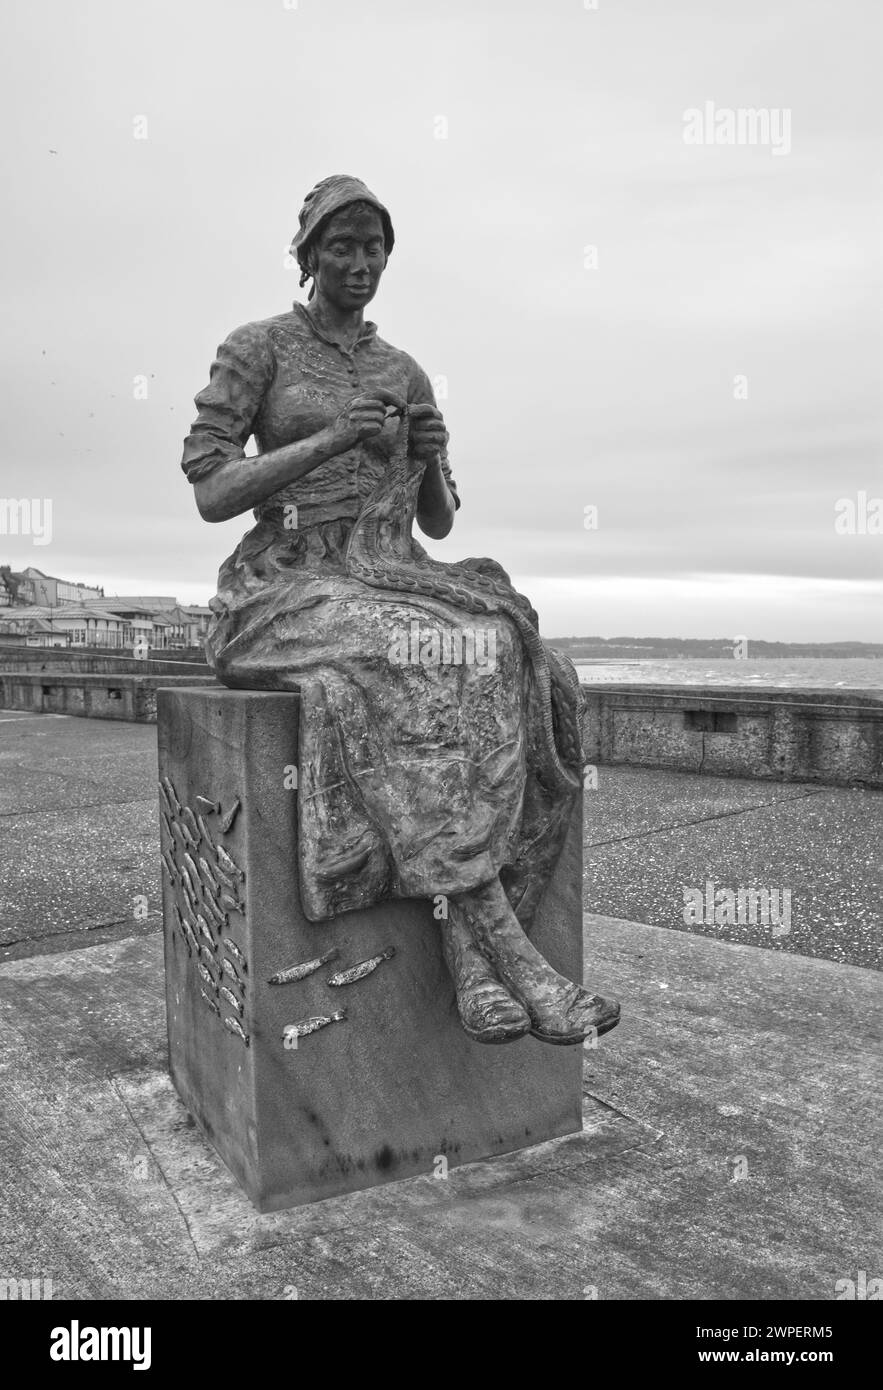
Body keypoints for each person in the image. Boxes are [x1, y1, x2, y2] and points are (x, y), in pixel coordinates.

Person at [181, 174, 620, 1046]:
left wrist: (428, 456)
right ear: (306, 256)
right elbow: (212, 491)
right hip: (287, 582)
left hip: (387, 567)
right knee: (422, 652)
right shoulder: (256, 348)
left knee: (510, 651)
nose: (359, 263)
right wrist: (334, 437)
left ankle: (470, 963)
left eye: (373, 246)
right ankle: (509, 961)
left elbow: (438, 521)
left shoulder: (401, 368)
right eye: (340, 246)